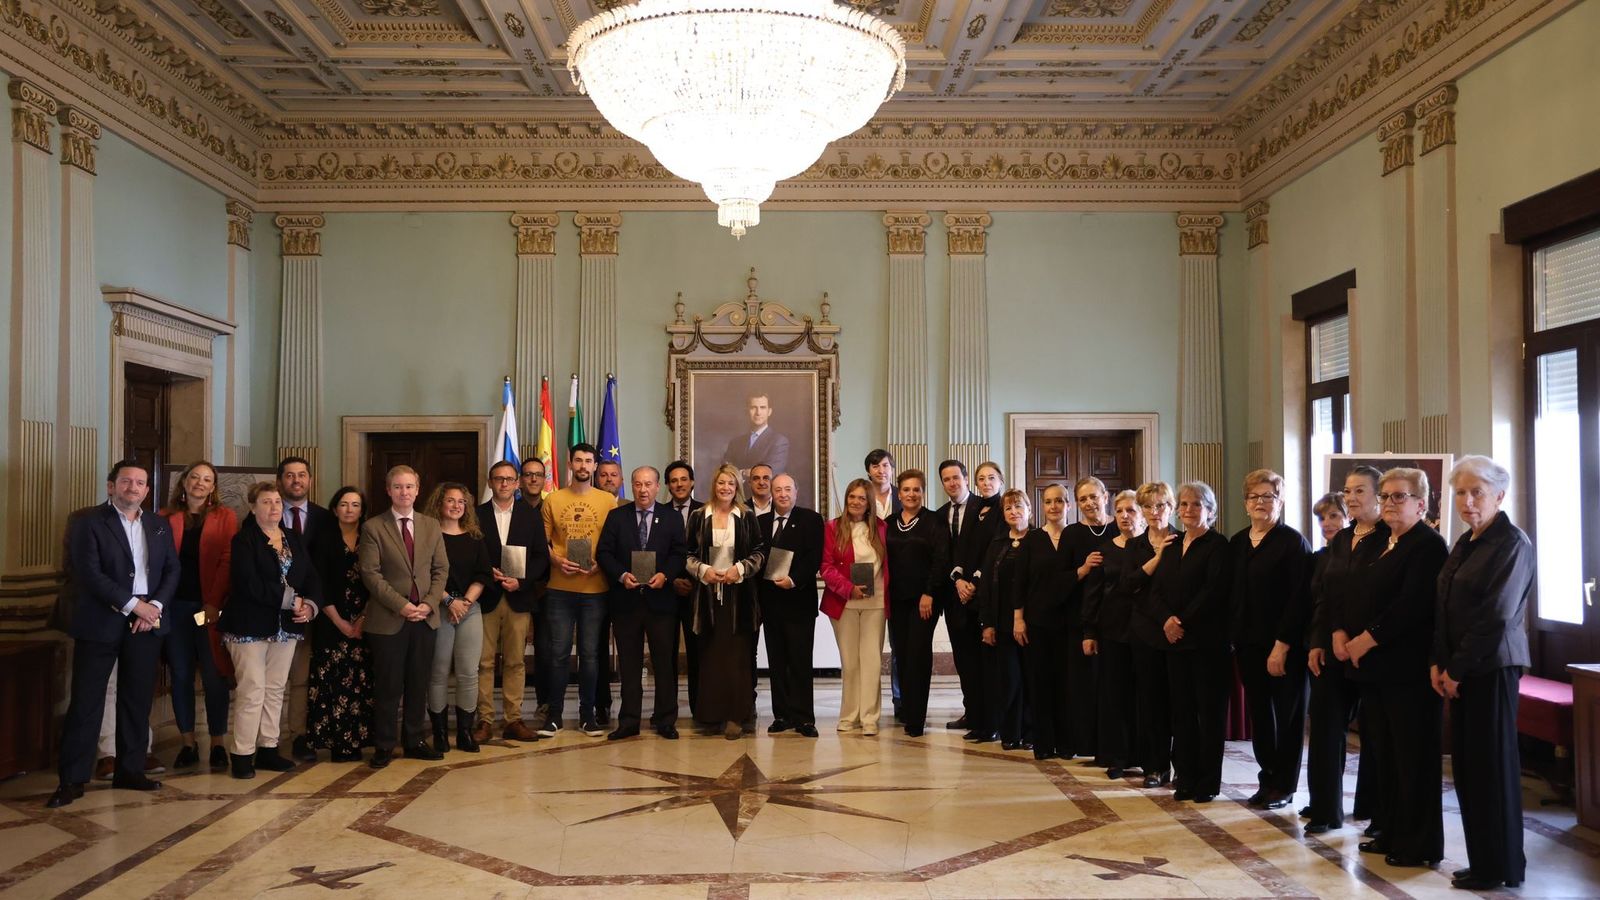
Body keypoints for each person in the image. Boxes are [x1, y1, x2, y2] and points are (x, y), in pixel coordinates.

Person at [48, 461, 179, 809]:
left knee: (136, 700)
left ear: (147, 491)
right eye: (126, 482)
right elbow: (88, 573)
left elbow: (171, 570)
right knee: (87, 702)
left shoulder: (158, 524)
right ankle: (73, 780)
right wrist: (134, 606)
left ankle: (131, 769)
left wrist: (155, 608)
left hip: (146, 625)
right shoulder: (88, 522)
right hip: (101, 622)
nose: (133, 488)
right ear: (111, 486)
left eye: (140, 483)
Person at [1433, 456, 1533, 891]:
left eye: (1477, 492)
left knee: (1492, 769)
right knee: (1469, 770)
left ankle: (1501, 865)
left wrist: (1456, 667)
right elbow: (1443, 606)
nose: (1468, 501)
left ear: (1499, 496)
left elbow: (1495, 615)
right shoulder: (1465, 542)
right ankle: (1482, 860)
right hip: (1460, 668)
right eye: (1460, 492)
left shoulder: (1512, 543)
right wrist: (1439, 662)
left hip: (1491, 668)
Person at [1339, 467, 1448, 868]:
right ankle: (1390, 828)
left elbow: (1411, 605)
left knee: (1411, 757)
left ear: (1422, 503)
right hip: (1374, 670)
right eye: (1384, 496)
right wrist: (1343, 631)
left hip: (1407, 671)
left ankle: (1417, 842)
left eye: (1399, 497)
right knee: (1383, 754)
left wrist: (1365, 639)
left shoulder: (1427, 545)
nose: (1389, 503)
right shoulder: (1382, 541)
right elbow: (1354, 591)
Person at [221, 482, 320, 779]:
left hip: (286, 627)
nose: (274, 507)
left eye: (277, 502)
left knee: (276, 690)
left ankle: (268, 748)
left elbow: (311, 576)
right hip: (249, 626)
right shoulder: (244, 540)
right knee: (252, 690)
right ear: (253, 507)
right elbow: (248, 583)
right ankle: (242, 754)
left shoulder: (293, 537)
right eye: (266, 502)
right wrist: (292, 600)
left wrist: (310, 605)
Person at [1307, 467, 1385, 834]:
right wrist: (1322, 640)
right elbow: (1327, 595)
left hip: (1376, 651)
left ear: (1379, 495)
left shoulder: (1391, 537)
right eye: (1348, 491)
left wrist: (1362, 638)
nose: (1352, 497)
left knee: (1376, 733)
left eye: (1360, 491)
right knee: (1325, 728)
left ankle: (1372, 808)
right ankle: (1325, 809)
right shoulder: (1342, 540)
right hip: (1334, 646)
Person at [1229, 469, 1312, 812]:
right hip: (1248, 645)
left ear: (1280, 502)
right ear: (1245, 503)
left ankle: (1284, 785)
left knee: (1288, 718)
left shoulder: (1292, 543)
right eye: (1254, 497)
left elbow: (1299, 599)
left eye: (1268, 497)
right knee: (1261, 716)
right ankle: (1267, 779)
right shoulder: (1237, 542)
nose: (1261, 503)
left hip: (1283, 647)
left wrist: (1283, 644)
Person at [358, 465, 449, 768]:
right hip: (388, 620)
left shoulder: (431, 525)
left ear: (418, 489)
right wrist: (401, 605)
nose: (404, 492)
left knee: (417, 683)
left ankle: (414, 740)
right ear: (388, 490)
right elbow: (371, 575)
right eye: (398, 487)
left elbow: (440, 570)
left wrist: (428, 603)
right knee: (387, 686)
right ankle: (384, 745)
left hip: (425, 618)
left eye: (409, 486)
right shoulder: (373, 527)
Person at [1154, 481, 1233, 803]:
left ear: (1210, 511)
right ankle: (1184, 776)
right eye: (1184, 504)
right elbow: (1157, 590)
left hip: (1206, 644)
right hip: (1175, 643)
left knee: (1208, 715)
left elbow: (1214, 592)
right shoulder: (1171, 546)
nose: (1188, 510)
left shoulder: (1218, 546)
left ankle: (1207, 781)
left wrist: (1181, 621)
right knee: (1182, 713)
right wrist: (1165, 620)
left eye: (1196, 505)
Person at [596, 466, 687, 740]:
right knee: (629, 664)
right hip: (626, 602)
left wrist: (666, 575)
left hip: (661, 601)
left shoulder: (671, 518)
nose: (643, 489)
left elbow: (679, 553)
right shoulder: (616, 517)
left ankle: (665, 719)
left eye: (648, 484)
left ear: (658, 487)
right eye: (638, 484)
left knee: (664, 663)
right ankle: (629, 720)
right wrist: (622, 575)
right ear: (631, 486)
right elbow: (604, 553)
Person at [161, 460, 237, 772]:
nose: (200, 483)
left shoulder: (225, 517)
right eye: (195, 477)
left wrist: (213, 604)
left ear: (213, 486)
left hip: (208, 608)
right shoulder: (164, 518)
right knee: (180, 675)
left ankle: (218, 742)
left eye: (207, 479)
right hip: (175, 607)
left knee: (214, 675)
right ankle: (188, 743)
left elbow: (227, 560)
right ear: (184, 482)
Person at [539, 444, 616, 737]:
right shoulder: (553, 500)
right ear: (569, 464)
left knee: (590, 654)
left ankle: (588, 715)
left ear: (595, 466)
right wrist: (556, 559)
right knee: (558, 653)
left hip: (595, 588)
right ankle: (555, 715)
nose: (583, 465)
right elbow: (543, 543)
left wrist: (601, 564)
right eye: (578, 460)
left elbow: (612, 542)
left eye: (588, 461)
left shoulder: (608, 501)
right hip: (559, 588)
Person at [685, 463, 766, 739]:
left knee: (738, 659)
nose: (726, 488)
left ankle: (736, 717)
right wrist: (703, 570)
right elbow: (686, 554)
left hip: (739, 597)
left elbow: (759, 552)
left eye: (731, 484)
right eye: (721, 483)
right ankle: (711, 715)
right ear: (714, 485)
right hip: (706, 597)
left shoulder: (746, 516)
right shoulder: (698, 516)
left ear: (737, 488)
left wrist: (739, 570)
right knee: (710, 655)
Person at [475, 461, 550, 743]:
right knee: (483, 663)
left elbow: (542, 557)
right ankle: (484, 720)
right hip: (486, 597)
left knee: (516, 662)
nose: (504, 484)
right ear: (490, 482)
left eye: (509, 479)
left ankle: (513, 719)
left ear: (517, 483)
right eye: (499, 479)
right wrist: (486, 572)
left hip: (519, 596)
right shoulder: (477, 515)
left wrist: (523, 580)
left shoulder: (530, 516)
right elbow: (469, 552)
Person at [1012, 484, 1085, 759]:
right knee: (1040, 683)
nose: (1053, 506)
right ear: (1042, 507)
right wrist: (1018, 618)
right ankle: (1043, 743)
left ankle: (1067, 743)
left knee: (1067, 684)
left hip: (1069, 622)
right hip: (1038, 622)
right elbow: (1020, 581)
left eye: (1059, 501)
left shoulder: (1076, 536)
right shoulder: (1032, 539)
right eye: (1048, 501)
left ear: (1069, 505)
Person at [423, 482, 492, 753]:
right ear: (439, 503)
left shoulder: (475, 537)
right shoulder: (428, 536)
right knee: (438, 672)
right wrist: (449, 601)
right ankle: (440, 733)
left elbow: (483, 574)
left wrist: (464, 602)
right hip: (438, 608)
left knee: (468, 672)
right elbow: (425, 574)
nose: (456, 506)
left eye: (461, 502)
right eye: (450, 501)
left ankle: (465, 732)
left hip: (469, 609)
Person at [1082, 489, 1147, 778]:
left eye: (1130, 510)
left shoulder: (1152, 547)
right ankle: (1117, 756)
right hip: (1112, 631)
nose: (1123, 516)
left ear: (1142, 513)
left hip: (1147, 633)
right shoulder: (1105, 550)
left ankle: (1148, 756)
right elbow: (1093, 595)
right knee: (1114, 695)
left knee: (1145, 695)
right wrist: (1089, 632)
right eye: (1119, 511)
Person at [308, 487, 375, 762]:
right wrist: (339, 622)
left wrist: (360, 620)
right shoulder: (321, 539)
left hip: (367, 620)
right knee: (332, 681)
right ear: (334, 509)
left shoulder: (371, 538)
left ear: (362, 510)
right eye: (344, 504)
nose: (349, 509)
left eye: (355, 504)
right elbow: (317, 584)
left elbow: (379, 581)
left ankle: (358, 740)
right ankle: (335, 742)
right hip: (329, 620)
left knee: (361, 681)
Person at [757, 473, 825, 737]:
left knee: (800, 661)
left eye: (788, 489)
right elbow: (757, 557)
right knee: (777, 662)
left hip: (799, 602)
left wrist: (794, 579)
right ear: (770, 494)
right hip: (770, 603)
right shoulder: (760, 522)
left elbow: (814, 557)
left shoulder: (810, 519)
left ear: (796, 491)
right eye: (778, 489)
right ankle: (782, 715)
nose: (783, 494)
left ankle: (804, 718)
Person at [277, 456, 335, 764]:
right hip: (271, 607)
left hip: (310, 610)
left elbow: (325, 568)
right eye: (289, 475)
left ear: (310, 480)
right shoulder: (265, 515)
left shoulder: (326, 518)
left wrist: (310, 603)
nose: (296, 480)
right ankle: (267, 738)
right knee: (270, 680)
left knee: (300, 677)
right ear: (280, 481)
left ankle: (300, 734)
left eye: (301, 475)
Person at [822, 478, 889, 735]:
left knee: (871, 661)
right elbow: (826, 566)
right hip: (844, 603)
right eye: (852, 496)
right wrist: (848, 588)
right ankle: (849, 716)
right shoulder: (832, 528)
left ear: (869, 502)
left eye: (862, 498)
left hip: (876, 603)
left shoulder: (882, 529)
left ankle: (870, 717)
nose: (856, 502)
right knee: (850, 662)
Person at [883, 469, 947, 737]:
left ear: (923, 492)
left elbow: (941, 559)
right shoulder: (889, 522)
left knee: (917, 656)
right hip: (896, 600)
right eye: (906, 490)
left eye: (916, 489)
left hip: (924, 601)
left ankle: (917, 719)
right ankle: (906, 710)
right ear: (899, 493)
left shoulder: (934, 521)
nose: (911, 494)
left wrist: (929, 592)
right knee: (902, 655)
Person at [973, 488, 1033, 749]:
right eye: (1008, 508)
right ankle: (1011, 733)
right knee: (1009, 681)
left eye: (1018, 506)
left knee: (1032, 680)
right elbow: (986, 586)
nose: (1013, 512)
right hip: (1001, 622)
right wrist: (987, 623)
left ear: (1029, 510)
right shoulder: (996, 544)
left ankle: (1031, 734)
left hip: (1032, 622)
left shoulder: (1039, 540)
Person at [1126, 482, 1176, 787]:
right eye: (1148, 506)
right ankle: (1155, 766)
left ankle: (1183, 763)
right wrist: (1157, 559)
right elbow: (1129, 585)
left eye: (1160, 505)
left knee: (1180, 703)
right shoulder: (1135, 546)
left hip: (1177, 631)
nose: (1154, 512)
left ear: (1170, 507)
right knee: (1151, 703)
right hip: (1144, 632)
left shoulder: (1183, 540)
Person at [1063, 477, 1113, 760]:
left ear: (1106, 497)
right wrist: (1082, 569)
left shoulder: (1120, 526)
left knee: (1112, 685)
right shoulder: (1072, 534)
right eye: (1083, 499)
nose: (1090, 503)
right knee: (1083, 684)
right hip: (1079, 619)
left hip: (1116, 620)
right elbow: (1061, 577)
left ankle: (1111, 745)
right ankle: (1086, 743)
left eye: (1094, 496)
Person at [936, 460, 984, 732]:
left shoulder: (985, 508)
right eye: (946, 479)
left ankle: (989, 714)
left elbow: (988, 549)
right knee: (963, 660)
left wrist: (973, 581)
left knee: (983, 660)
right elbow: (941, 556)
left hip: (980, 595)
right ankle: (971, 711)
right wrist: (956, 582)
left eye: (956, 477)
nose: (952, 483)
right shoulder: (940, 514)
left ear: (966, 478)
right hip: (953, 598)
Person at [864, 449, 903, 716]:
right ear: (869, 471)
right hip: (871, 579)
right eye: (875, 466)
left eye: (886, 465)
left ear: (892, 469)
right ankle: (868, 703)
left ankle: (900, 699)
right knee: (869, 645)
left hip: (900, 578)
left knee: (899, 644)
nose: (881, 470)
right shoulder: (861, 497)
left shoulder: (905, 495)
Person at [665, 460, 705, 716]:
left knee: (699, 654)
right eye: (673, 480)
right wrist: (671, 580)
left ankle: (700, 709)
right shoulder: (659, 512)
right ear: (668, 485)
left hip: (698, 593)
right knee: (666, 655)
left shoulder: (706, 511)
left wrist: (694, 580)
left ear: (692, 482)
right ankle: (667, 711)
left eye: (683, 479)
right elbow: (656, 553)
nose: (679, 484)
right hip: (666, 592)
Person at [518, 457, 554, 725]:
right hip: (514, 589)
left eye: (538, 475)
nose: (533, 479)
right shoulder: (511, 510)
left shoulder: (552, 508)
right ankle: (512, 709)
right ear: (520, 479)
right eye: (528, 474)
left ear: (545, 479)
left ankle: (545, 702)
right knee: (513, 653)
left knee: (545, 650)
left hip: (546, 590)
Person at [722, 392, 789, 478]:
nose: (758, 412)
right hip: (737, 491)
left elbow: (768, 473)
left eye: (762, 407)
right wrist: (746, 472)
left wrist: (739, 473)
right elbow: (725, 471)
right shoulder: (735, 443)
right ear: (747, 411)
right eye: (753, 407)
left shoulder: (779, 441)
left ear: (769, 411)